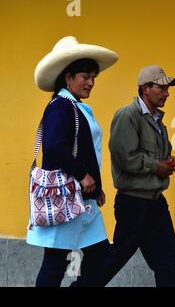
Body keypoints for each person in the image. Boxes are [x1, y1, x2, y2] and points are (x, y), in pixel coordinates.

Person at [26, 36, 118, 287]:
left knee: (98, 258)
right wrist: (83, 175)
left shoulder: (73, 107)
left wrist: (95, 187)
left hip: (81, 200)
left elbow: (85, 151)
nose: (91, 83)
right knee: (55, 265)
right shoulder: (61, 106)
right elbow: (54, 148)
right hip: (67, 197)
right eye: (85, 77)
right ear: (68, 77)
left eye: (93, 78)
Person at [102, 65, 175, 287]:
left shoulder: (157, 120)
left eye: (167, 89)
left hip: (155, 201)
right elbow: (124, 157)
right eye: (162, 88)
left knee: (165, 259)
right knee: (115, 257)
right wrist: (157, 166)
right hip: (134, 202)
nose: (166, 93)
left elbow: (157, 153)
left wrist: (166, 162)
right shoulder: (128, 115)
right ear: (146, 88)